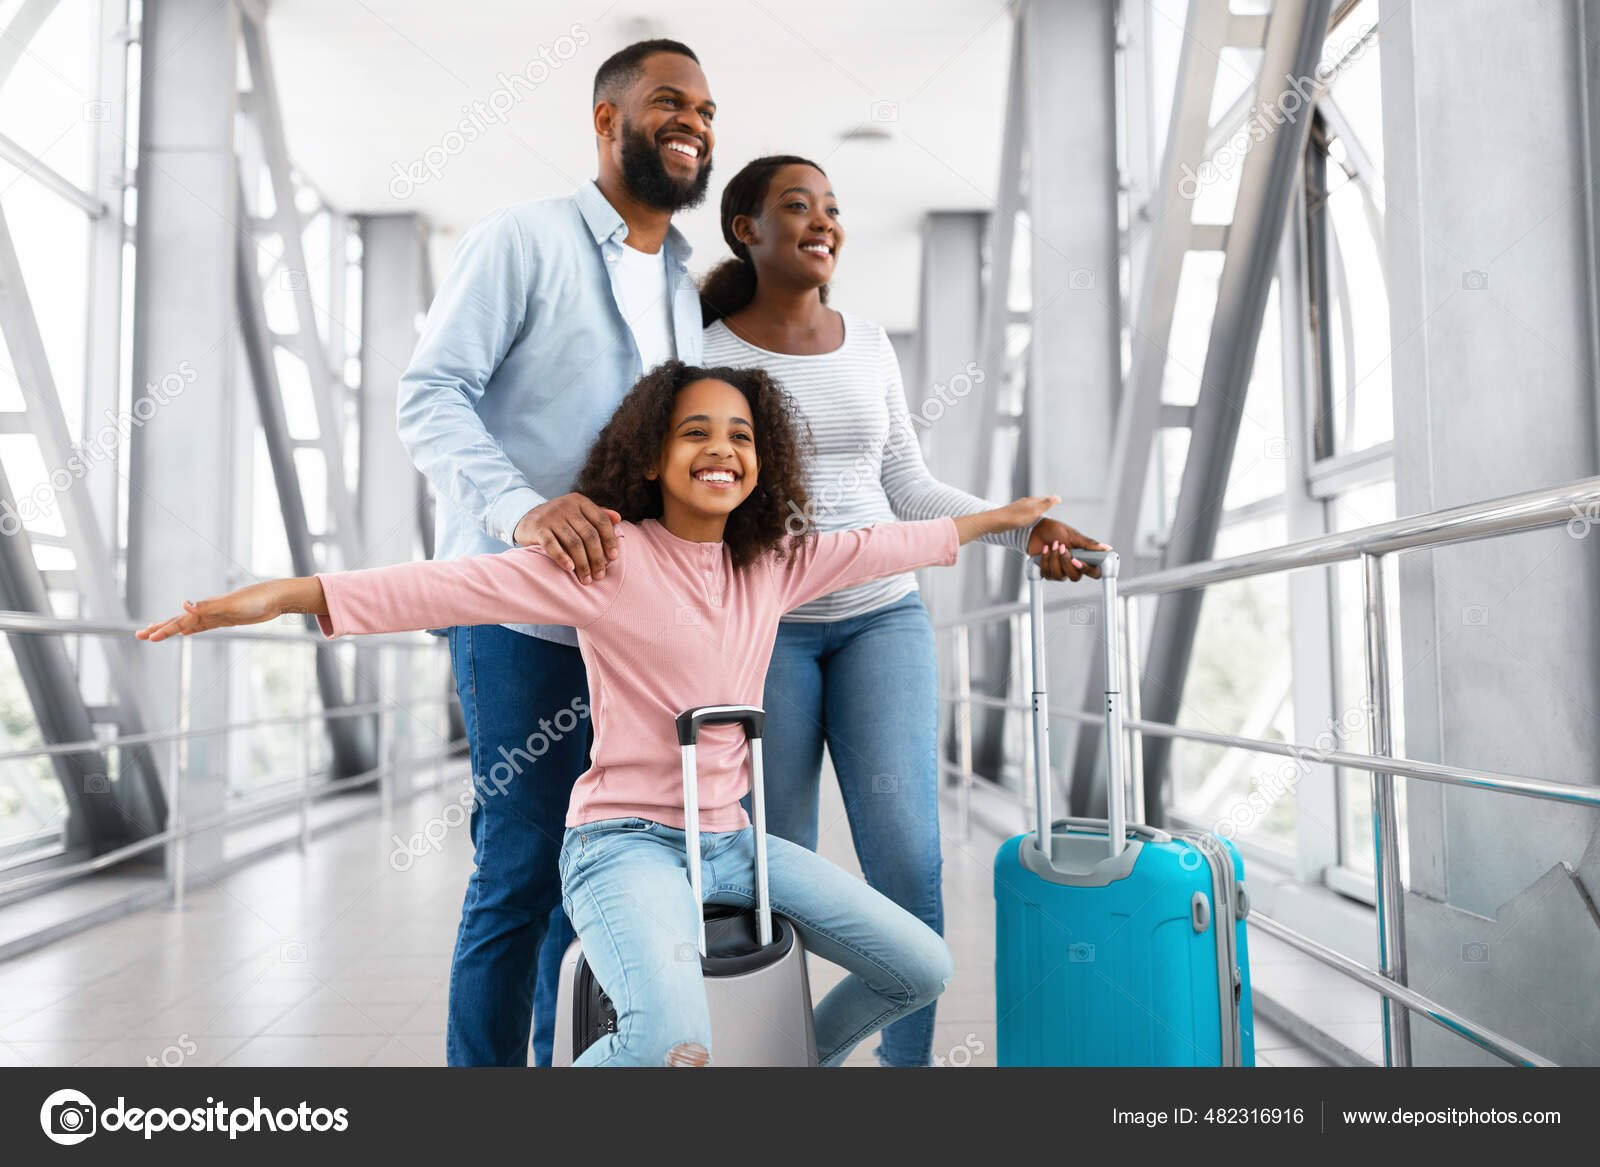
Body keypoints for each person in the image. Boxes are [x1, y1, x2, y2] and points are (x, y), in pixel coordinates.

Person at [136, 362, 1062, 1067]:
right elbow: (431, 586)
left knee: (919, 966)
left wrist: (1005, 520)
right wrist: (268, 598)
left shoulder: (774, 561)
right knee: (668, 1038)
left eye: (741, 436)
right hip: (624, 841)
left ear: (761, 459)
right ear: (651, 454)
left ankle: (783, 1070)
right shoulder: (605, 556)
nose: (722, 449)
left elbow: (889, 541)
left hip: (735, 842)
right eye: (696, 431)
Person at [700, 155, 1105, 1065]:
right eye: (796, 206)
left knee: (908, 867)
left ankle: (904, 1068)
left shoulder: (870, 343)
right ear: (745, 230)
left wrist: (1024, 529)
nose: (823, 221)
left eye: (833, 208)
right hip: (768, 634)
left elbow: (906, 486)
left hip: (883, 620)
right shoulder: (710, 353)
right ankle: (782, 1061)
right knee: (776, 869)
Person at [393, 38, 716, 1066]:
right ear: (605, 118)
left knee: (604, 872)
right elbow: (428, 393)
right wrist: (521, 508)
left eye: (706, 110)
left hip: (636, 632)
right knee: (523, 865)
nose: (694, 122)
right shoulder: (520, 241)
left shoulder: (684, 287)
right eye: (670, 102)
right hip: (520, 615)